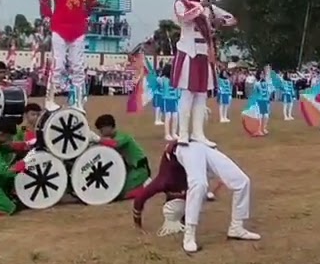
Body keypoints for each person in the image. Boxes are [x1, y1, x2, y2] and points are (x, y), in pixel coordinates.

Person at [130, 141, 259, 252]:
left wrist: (138, 225)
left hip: (183, 147)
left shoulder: (163, 182)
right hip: (192, 149)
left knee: (242, 181)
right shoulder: (189, 188)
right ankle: (189, 236)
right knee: (200, 185)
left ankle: (236, 227)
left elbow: (140, 198)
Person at [170, 0, 237, 146]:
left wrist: (219, 21)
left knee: (201, 95)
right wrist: (201, 7)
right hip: (188, 52)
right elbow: (185, 18)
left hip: (205, 53)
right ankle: (183, 133)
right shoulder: (181, 3)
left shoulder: (208, 7)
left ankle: (198, 133)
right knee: (187, 94)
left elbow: (232, 19)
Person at [39, 0, 99, 109]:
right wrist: (47, 16)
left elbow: (91, 4)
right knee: (58, 64)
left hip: (78, 29)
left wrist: (90, 9)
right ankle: (50, 99)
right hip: (59, 28)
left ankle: (78, 102)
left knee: (78, 66)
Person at [92, 113, 150, 199]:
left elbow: (114, 144)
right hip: (131, 169)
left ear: (108, 127)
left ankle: (146, 187)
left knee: (120, 193)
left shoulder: (123, 137)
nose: (100, 132)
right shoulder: (115, 137)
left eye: (101, 129)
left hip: (139, 169)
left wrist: (98, 139)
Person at [160, 66, 180, 141]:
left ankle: (174, 133)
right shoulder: (163, 79)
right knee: (168, 117)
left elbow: (178, 88)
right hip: (167, 99)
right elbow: (158, 82)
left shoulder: (175, 79)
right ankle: (167, 134)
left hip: (175, 100)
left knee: (175, 116)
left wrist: (178, 96)